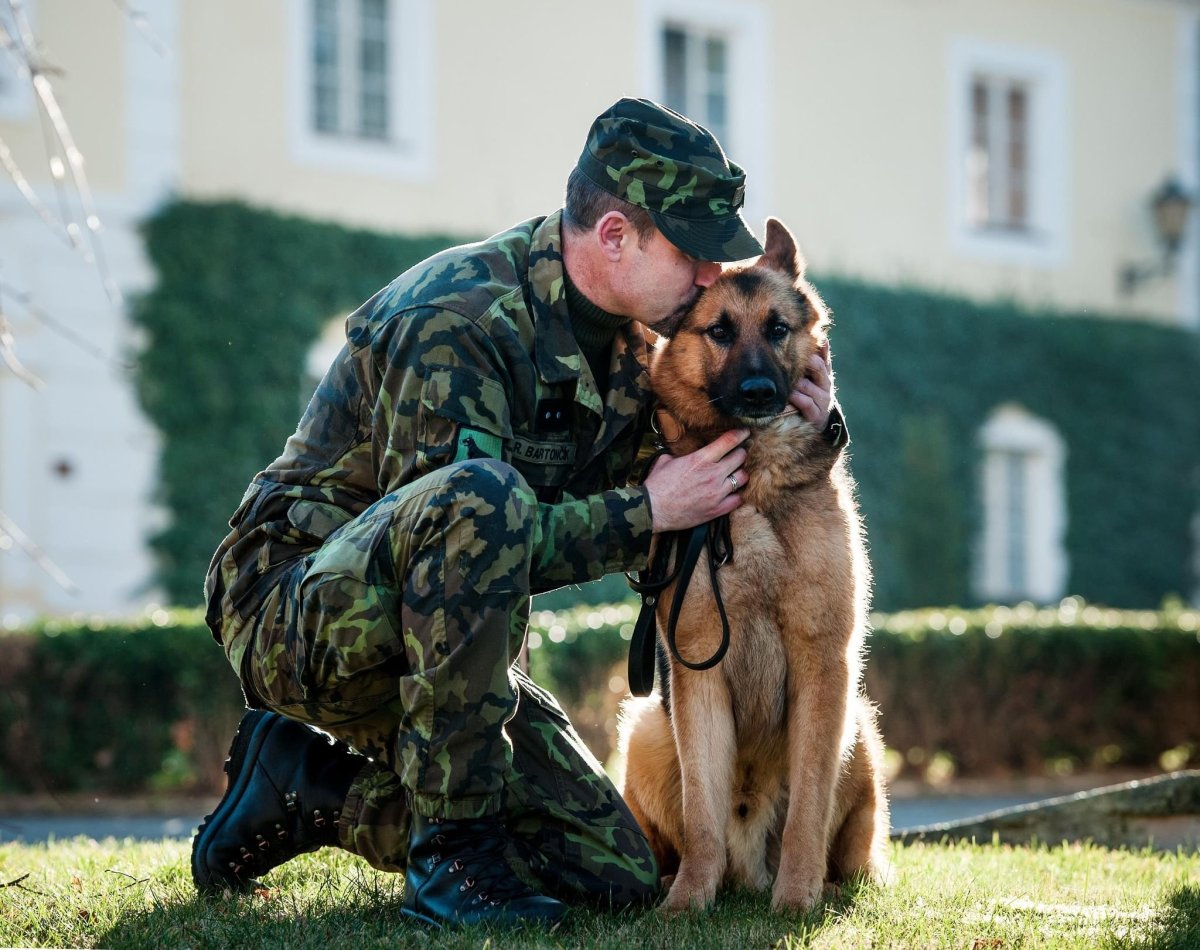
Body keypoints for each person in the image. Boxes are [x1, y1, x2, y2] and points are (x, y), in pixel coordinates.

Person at [191, 97, 840, 928]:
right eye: (696, 257)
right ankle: (453, 867)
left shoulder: (641, 344)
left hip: (443, 648)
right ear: (614, 237)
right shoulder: (457, 317)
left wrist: (810, 416)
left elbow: (714, 470)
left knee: (617, 871)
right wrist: (645, 513)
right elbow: (460, 542)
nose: (714, 280)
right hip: (301, 613)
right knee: (484, 497)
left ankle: (307, 788)